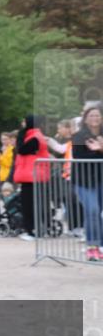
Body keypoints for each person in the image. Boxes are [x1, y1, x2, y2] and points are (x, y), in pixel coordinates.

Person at [72, 105, 103, 261]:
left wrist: (100, 149)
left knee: (98, 214)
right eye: (91, 116)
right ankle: (92, 246)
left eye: (97, 115)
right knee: (92, 210)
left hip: (101, 179)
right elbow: (79, 156)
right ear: (85, 119)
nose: (95, 118)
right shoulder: (79, 136)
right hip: (85, 181)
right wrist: (98, 150)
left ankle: (101, 246)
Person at [13, 115, 51, 241]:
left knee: (29, 204)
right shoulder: (33, 135)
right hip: (31, 175)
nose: (22, 123)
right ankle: (33, 229)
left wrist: (19, 136)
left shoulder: (34, 137)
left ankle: (32, 230)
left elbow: (21, 150)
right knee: (30, 204)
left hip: (32, 175)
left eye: (24, 121)